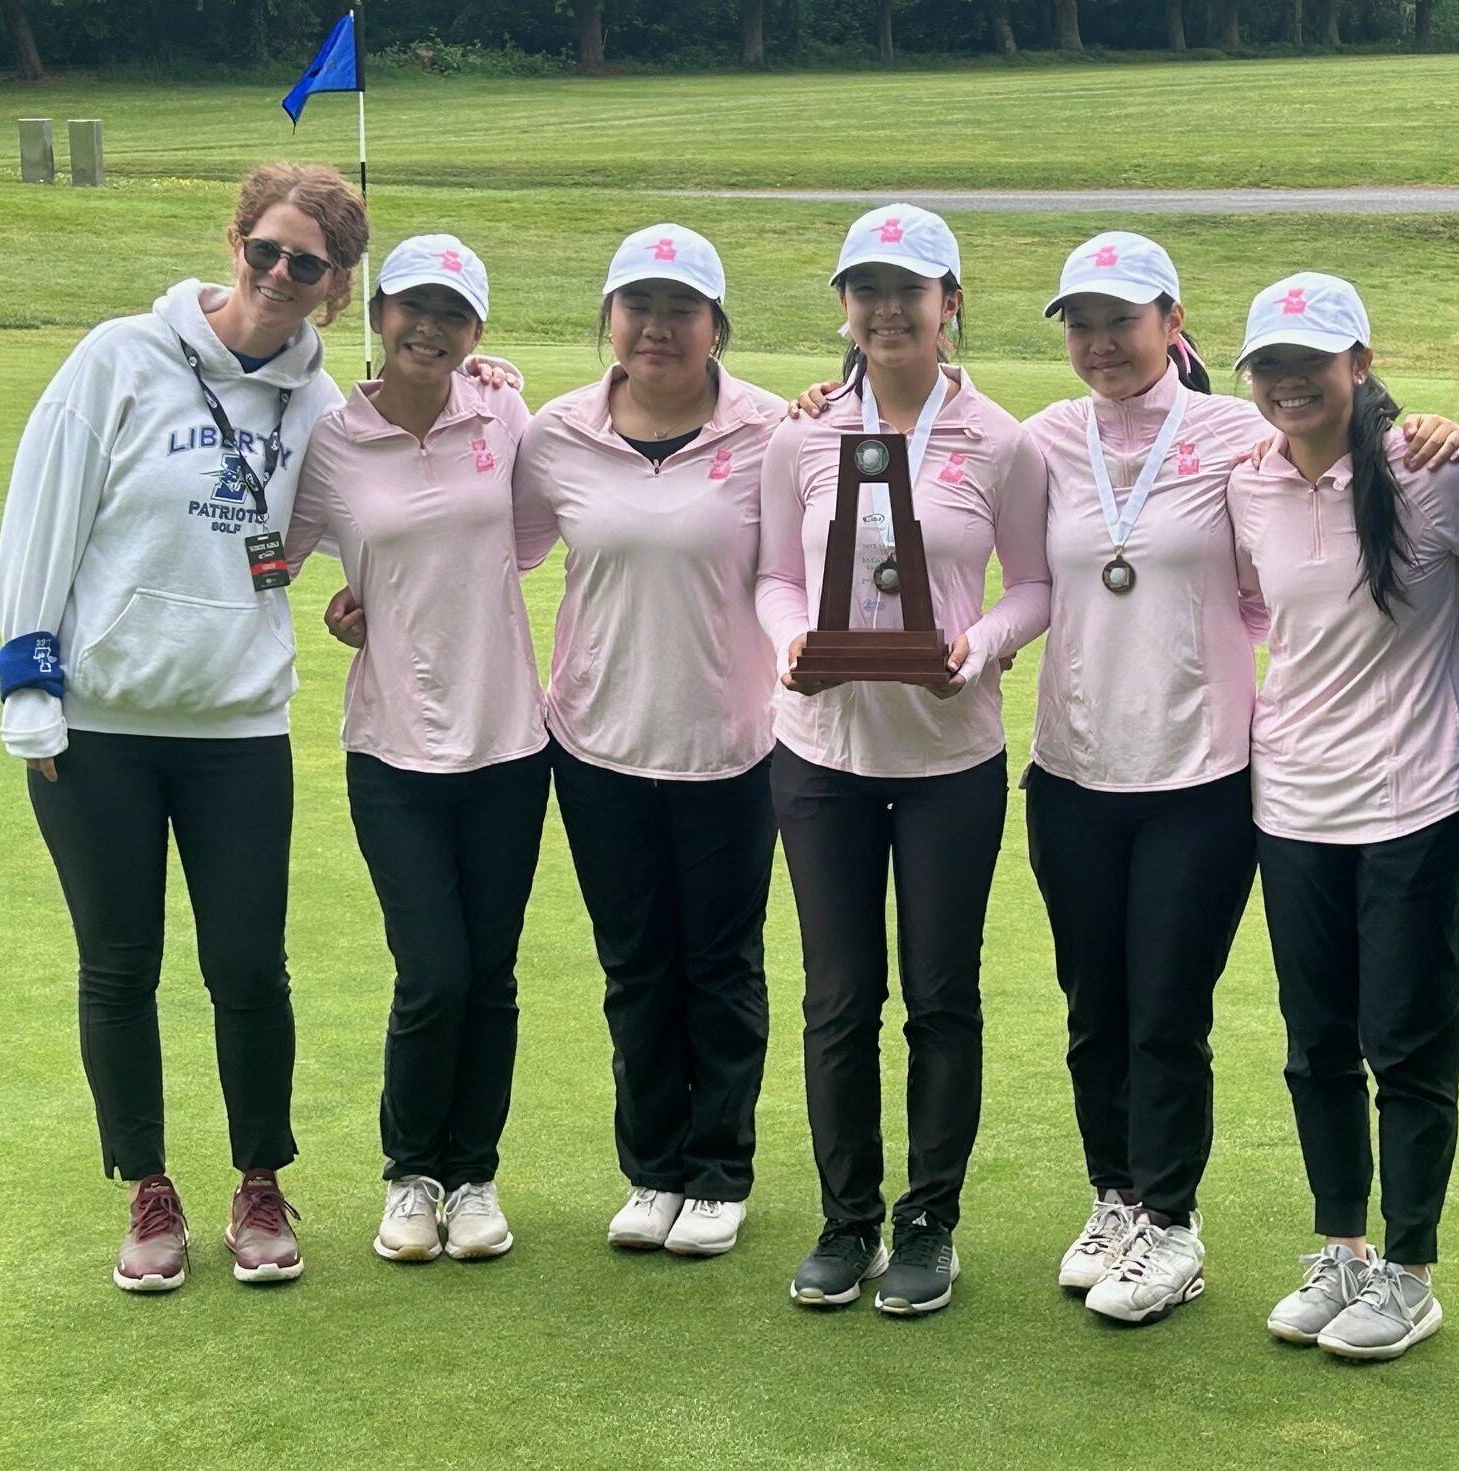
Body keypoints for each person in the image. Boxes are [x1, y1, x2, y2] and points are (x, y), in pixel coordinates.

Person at [0, 162, 369, 1292]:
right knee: (119, 964)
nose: (279, 277)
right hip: (98, 725)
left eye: (308, 265)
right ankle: (149, 1189)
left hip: (237, 727)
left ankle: (260, 1181)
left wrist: (481, 390)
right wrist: (31, 682)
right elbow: (41, 516)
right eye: (267, 250)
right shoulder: (119, 356)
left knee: (249, 965)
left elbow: (385, 500)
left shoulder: (319, 405)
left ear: (334, 285)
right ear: (238, 241)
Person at [757, 203, 1050, 1315]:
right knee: (838, 997)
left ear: (949, 304)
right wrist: (791, 642)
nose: (886, 309)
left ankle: (929, 1220)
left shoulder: (1001, 439)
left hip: (949, 756)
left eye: (908, 289)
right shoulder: (802, 434)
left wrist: (981, 647)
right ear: (845, 306)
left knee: (939, 995)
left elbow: (1034, 582)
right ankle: (846, 1220)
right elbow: (774, 575)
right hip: (822, 753)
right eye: (866, 289)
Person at [513, 224, 784, 1258]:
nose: (657, 328)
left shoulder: (773, 431)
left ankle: (718, 1170)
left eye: (681, 309)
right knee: (633, 964)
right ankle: (652, 1167)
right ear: (608, 319)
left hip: (731, 739)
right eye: (638, 306)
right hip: (595, 740)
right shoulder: (556, 433)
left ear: (717, 324)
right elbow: (498, 548)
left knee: (720, 964)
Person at [1016, 232, 1266, 1325]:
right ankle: (1113, 1194)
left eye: (1120, 319)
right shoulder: (1040, 444)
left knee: (1167, 1005)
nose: (1099, 342)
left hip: (1199, 772)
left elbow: (1329, 506)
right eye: (1079, 323)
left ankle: (1171, 1221)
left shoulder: (1235, 433)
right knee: (1094, 1002)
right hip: (1071, 769)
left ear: (1171, 322)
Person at [1228, 272, 1459, 1361]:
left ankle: (1409, 1270)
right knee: (1316, 1041)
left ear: (1358, 365)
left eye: (1311, 362)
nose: (1289, 382)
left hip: (1411, 801)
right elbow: (1248, 607)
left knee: (1407, 1044)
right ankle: (1340, 1246)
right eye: (1271, 364)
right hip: (1290, 802)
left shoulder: (1430, 474)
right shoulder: (1245, 483)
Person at [286, 235, 547, 1266]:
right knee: (431, 970)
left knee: (490, 973)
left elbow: (527, 539)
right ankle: (411, 1175)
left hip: (510, 742)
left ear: (477, 331)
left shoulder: (505, 413)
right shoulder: (335, 440)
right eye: (410, 308)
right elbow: (278, 555)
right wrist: (339, 610)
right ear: (377, 315)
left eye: (452, 314)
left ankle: (473, 1174)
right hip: (391, 745)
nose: (428, 329)